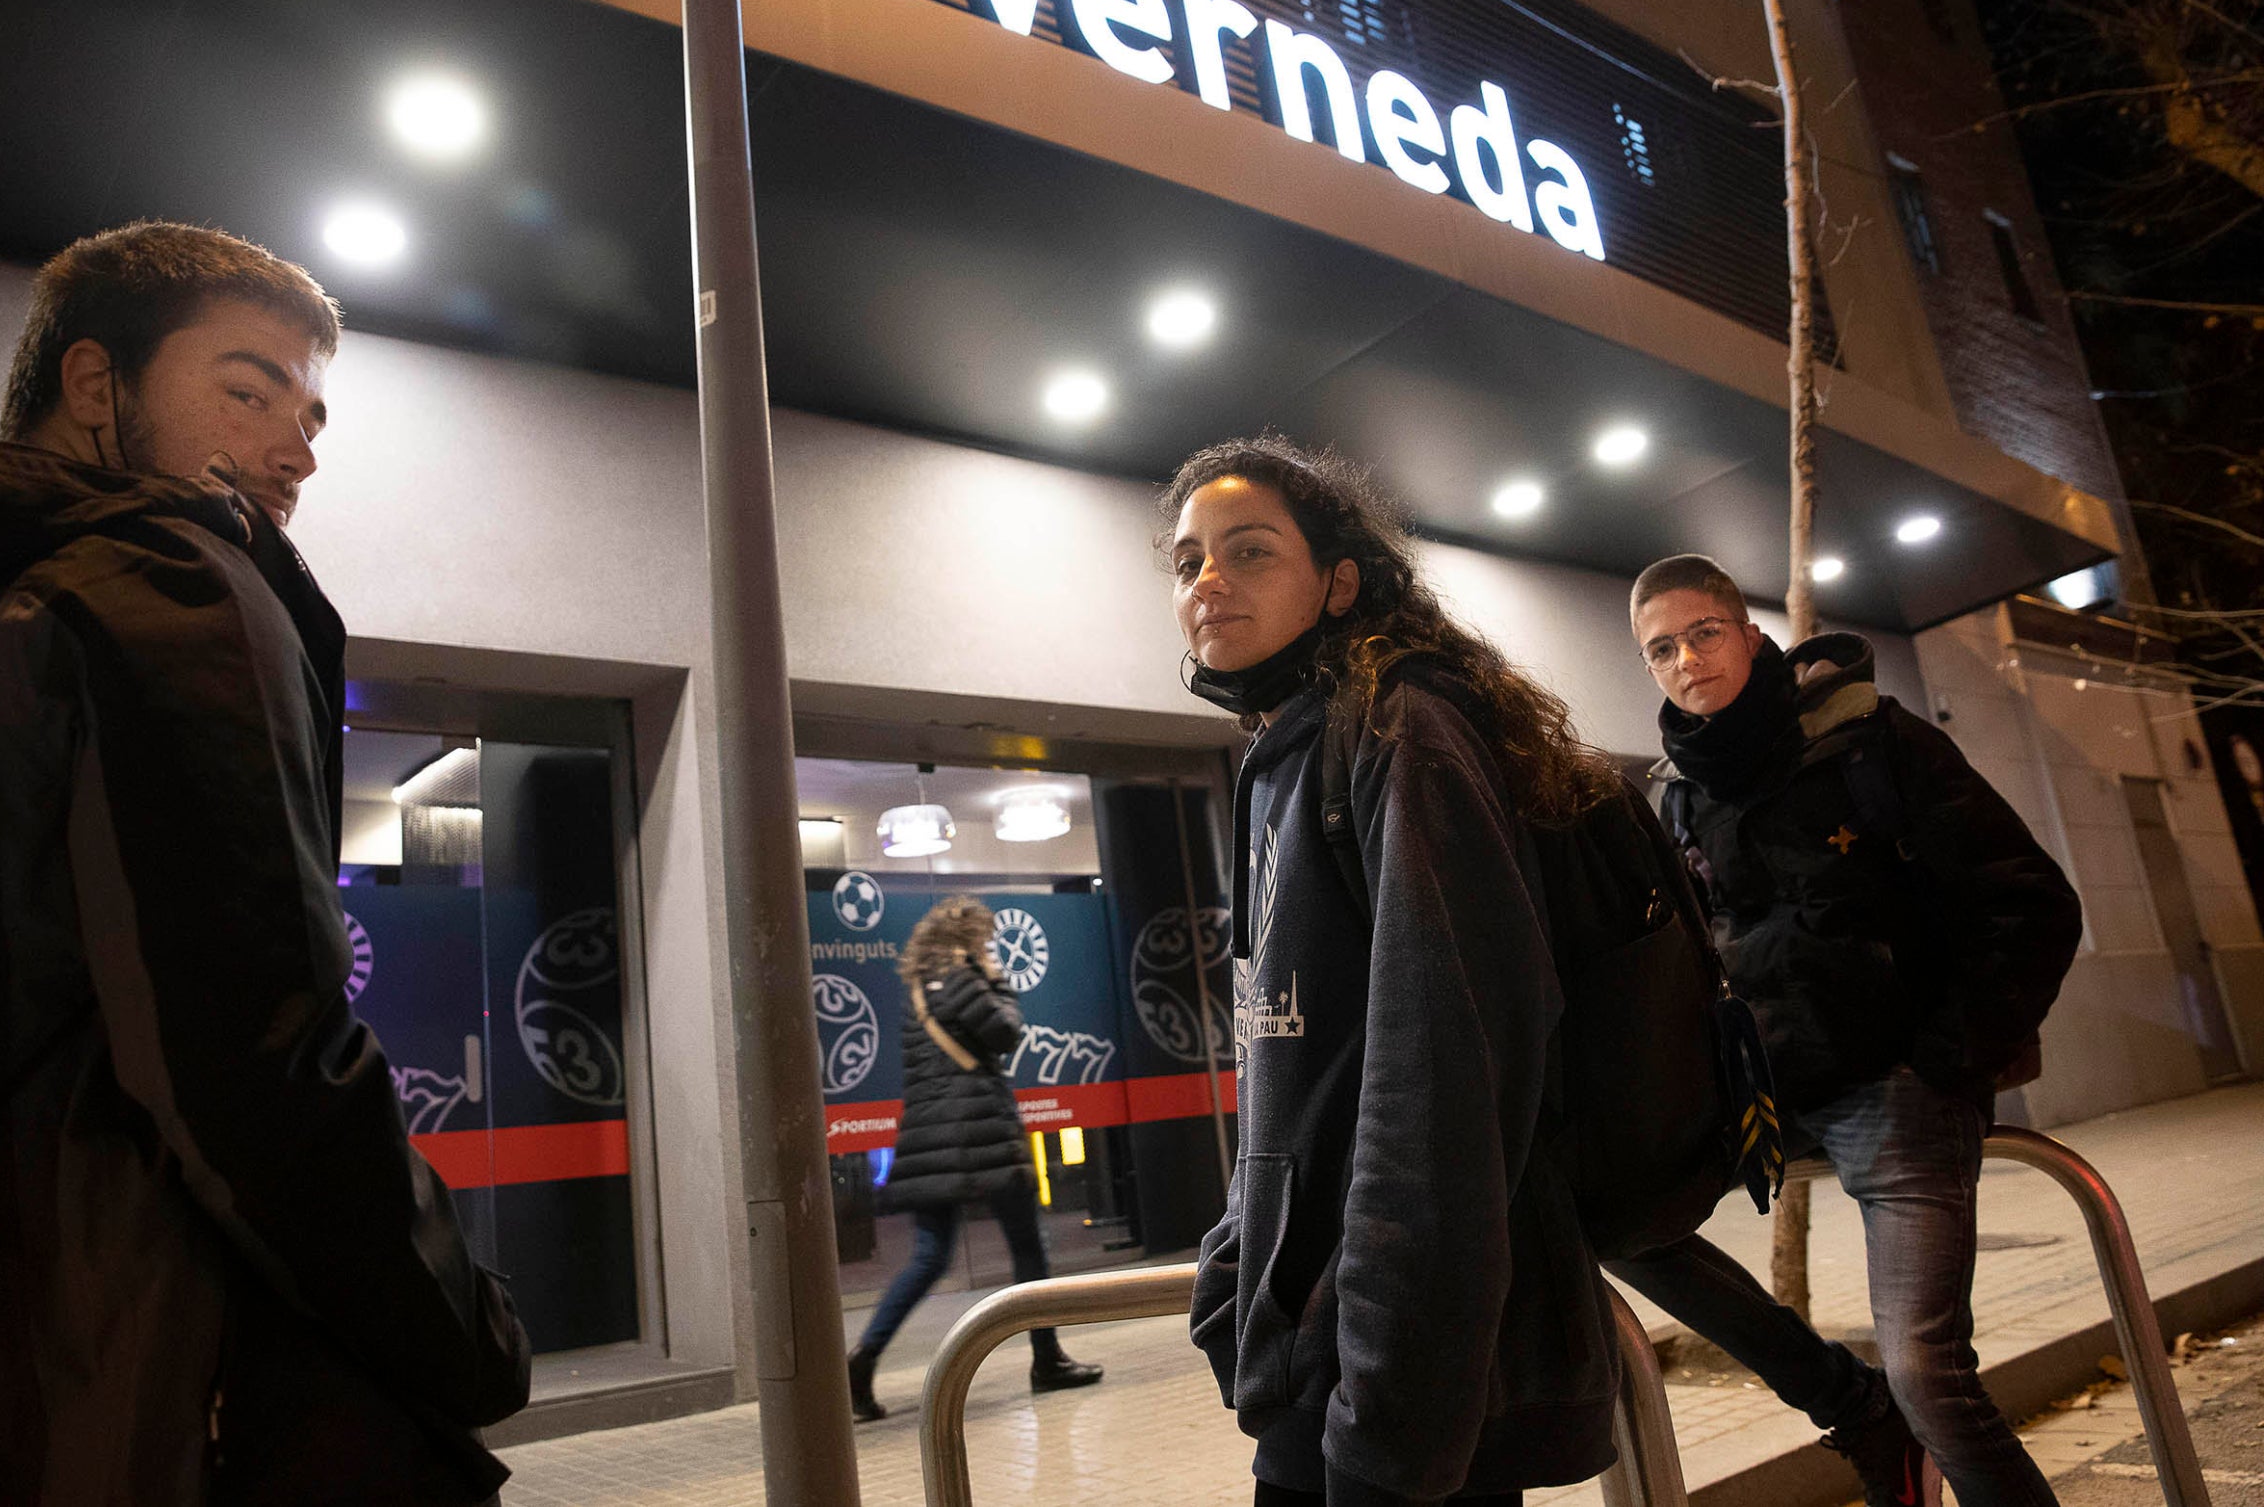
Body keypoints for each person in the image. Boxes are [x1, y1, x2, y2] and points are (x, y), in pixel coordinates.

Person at [0, 223, 530, 1505]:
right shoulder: (165, 582)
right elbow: (252, 1050)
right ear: (96, 387)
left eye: (312, 416)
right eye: (248, 389)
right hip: (113, 1364)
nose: (295, 446)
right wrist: (460, 1332)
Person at [1172, 435, 1620, 1507]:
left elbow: (1444, 1088)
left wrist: (1387, 1413)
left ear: (1338, 583)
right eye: (1187, 562)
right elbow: (1288, 1063)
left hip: (1403, 1392)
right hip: (1318, 1367)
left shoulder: (1402, 733)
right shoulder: (1281, 760)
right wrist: (1233, 1275)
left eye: (1248, 552)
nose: (1208, 583)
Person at [1609, 553, 2083, 1507]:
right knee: (1621, 1215)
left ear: (1748, 635)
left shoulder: (1871, 740)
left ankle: (1902, 1412)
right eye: (1662, 648)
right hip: (1774, 1096)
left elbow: (2033, 904)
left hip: (1897, 1090)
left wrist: (1948, 1056)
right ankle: (1850, 1405)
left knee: (1926, 1369)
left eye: (1704, 633)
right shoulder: (1679, 791)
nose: (1687, 659)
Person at [845, 894, 1102, 1421]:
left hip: (932, 1137)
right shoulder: (962, 978)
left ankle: (863, 1358)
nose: (990, 948)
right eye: (985, 940)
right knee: (1028, 1248)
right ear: (968, 940)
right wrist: (996, 977)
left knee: (929, 1256)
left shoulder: (919, 985)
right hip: (982, 1133)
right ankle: (1046, 1359)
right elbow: (1006, 1031)